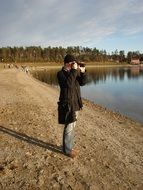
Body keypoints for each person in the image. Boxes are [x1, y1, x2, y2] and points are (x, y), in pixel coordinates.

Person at [57, 54, 87, 158]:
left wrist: (82, 72)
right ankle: (67, 150)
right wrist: (74, 71)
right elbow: (68, 85)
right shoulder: (60, 74)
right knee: (69, 127)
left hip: (76, 103)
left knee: (72, 126)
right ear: (67, 63)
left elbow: (83, 83)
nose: (74, 65)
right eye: (72, 63)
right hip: (68, 105)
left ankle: (69, 146)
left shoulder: (73, 73)